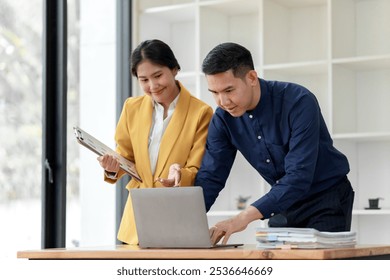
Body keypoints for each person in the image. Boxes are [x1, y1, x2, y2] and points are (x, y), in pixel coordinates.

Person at [194, 42, 354, 245]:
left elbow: (298, 176)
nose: (223, 101)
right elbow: (211, 177)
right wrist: (185, 224)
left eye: (229, 90)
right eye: (214, 93)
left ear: (251, 78)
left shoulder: (298, 101)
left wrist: (240, 220)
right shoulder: (223, 119)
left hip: (326, 199)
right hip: (281, 202)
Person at [98, 39, 213, 244]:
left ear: (174, 69)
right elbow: (125, 156)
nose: (152, 86)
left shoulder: (200, 113)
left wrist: (179, 174)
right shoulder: (131, 108)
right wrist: (112, 168)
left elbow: (196, 168)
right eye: (144, 80)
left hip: (177, 218)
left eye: (158, 76)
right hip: (135, 224)